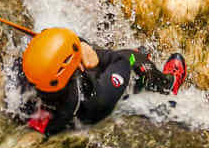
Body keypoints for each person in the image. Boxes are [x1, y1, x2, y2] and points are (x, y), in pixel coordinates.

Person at [20, 27, 186, 137]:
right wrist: (84, 46)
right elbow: (121, 62)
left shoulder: (28, 77)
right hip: (100, 98)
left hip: (65, 99)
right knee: (132, 58)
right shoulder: (97, 100)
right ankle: (169, 83)